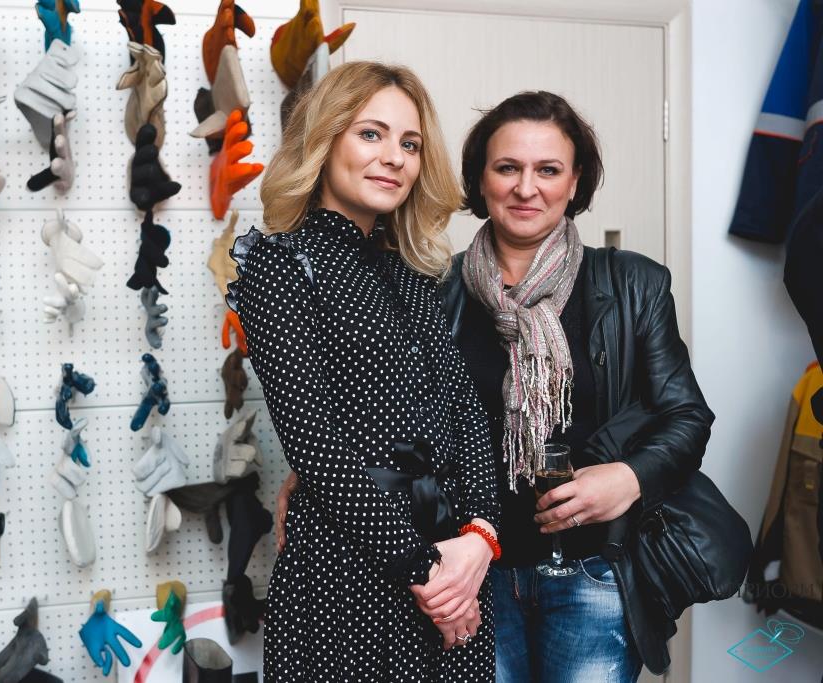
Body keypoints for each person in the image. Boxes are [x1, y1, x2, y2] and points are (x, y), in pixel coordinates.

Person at [228, 61, 501, 682]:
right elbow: (314, 442)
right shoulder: (281, 265)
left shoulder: (411, 271)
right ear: (325, 141)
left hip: (453, 561)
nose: (395, 158)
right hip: (351, 572)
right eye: (371, 134)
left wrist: (480, 538)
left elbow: (464, 410)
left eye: (411, 144)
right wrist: (428, 575)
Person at [439, 91, 714, 681]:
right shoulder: (436, 292)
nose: (526, 188)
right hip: (473, 572)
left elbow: (687, 416)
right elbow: (401, 431)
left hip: (596, 571)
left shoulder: (634, 283)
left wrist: (630, 478)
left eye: (548, 170)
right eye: (507, 167)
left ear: (575, 180)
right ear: (481, 178)